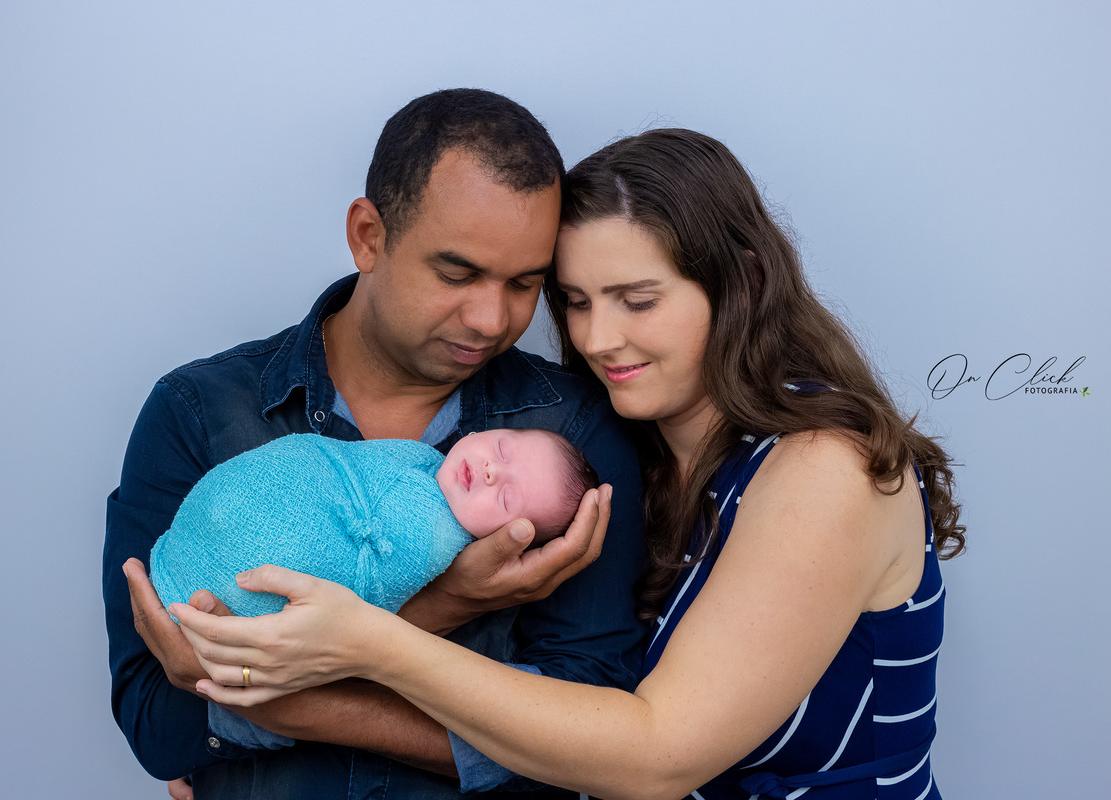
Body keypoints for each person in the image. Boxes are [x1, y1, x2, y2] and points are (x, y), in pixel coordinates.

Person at [172, 129, 967, 800]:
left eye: (638, 300)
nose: (596, 339)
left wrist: (370, 644)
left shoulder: (825, 468)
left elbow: (658, 755)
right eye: (577, 302)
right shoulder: (623, 455)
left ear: (744, 282)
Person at [104, 88, 649, 799]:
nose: (491, 319)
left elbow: (596, 739)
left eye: (524, 284)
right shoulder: (197, 411)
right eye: (456, 273)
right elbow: (154, 721)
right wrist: (446, 604)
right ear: (367, 235)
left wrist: (274, 695)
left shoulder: (573, 436)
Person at [151, 429, 599, 618]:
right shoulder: (425, 461)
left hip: (242, 576)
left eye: (505, 498)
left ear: (507, 538)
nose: (489, 471)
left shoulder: (434, 538)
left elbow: (369, 597)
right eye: (502, 449)